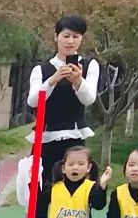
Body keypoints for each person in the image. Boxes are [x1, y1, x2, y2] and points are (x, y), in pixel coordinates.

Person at [27, 14, 100, 184]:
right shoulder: (42, 69)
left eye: (76, 37)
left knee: (75, 189)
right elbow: (33, 101)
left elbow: (89, 99)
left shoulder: (90, 65)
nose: (70, 41)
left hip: (74, 136)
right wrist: (53, 79)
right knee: (40, 189)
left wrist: (77, 81)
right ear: (56, 37)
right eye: (66, 36)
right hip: (45, 137)